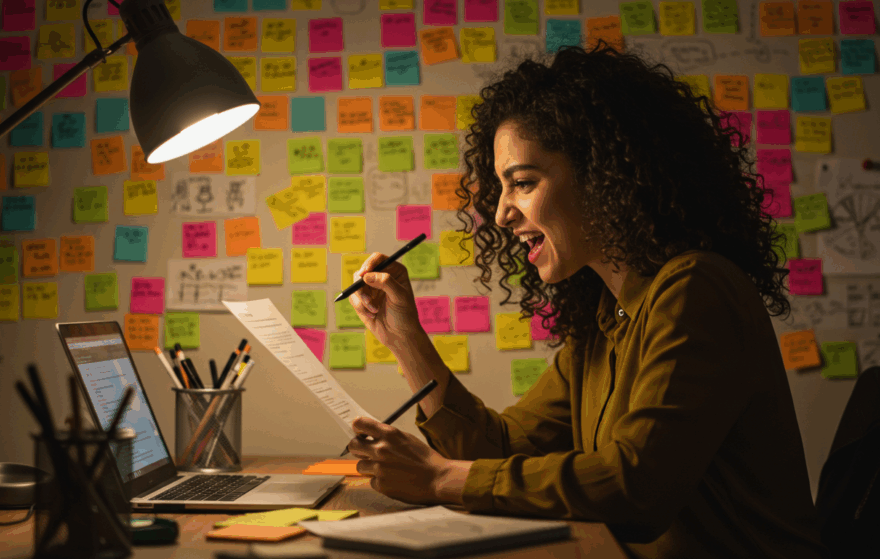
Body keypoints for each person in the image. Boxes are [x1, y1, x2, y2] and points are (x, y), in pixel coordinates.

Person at [343, 42, 830, 559]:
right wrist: (406, 339)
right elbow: (500, 449)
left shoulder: (696, 288)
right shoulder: (604, 318)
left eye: (522, 183)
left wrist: (441, 478)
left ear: (602, 176)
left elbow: (633, 487)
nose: (502, 214)